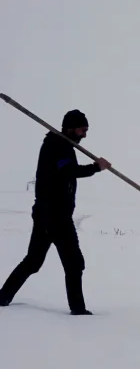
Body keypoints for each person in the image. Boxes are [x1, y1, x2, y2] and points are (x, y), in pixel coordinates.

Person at [0, 109, 111, 314]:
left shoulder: (62, 145)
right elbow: (69, 171)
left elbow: (66, 172)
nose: (85, 135)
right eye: (82, 130)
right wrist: (96, 167)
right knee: (74, 263)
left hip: (47, 214)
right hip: (55, 216)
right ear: (71, 129)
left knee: (33, 261)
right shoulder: (57, 145)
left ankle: (2, 297)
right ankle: (78, 310)